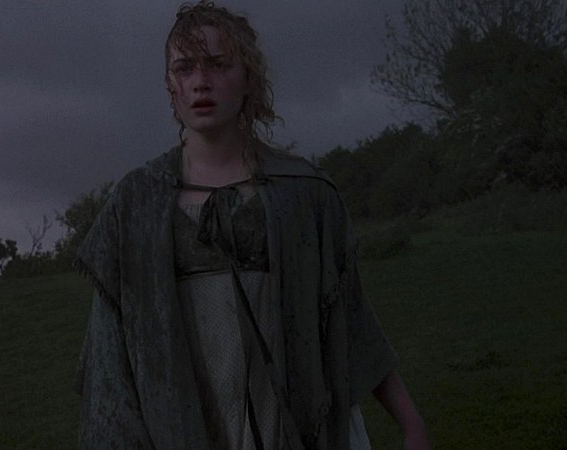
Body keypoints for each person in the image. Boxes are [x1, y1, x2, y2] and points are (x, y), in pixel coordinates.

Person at [74, 2, 430, 448]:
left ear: (248, 77)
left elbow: (350, 319)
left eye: (218, 64)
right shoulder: (135, 204)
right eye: (184, 68)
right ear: (170, 86)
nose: (201, 81)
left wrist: (411, 423)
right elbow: (109, 358)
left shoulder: (304, 194)